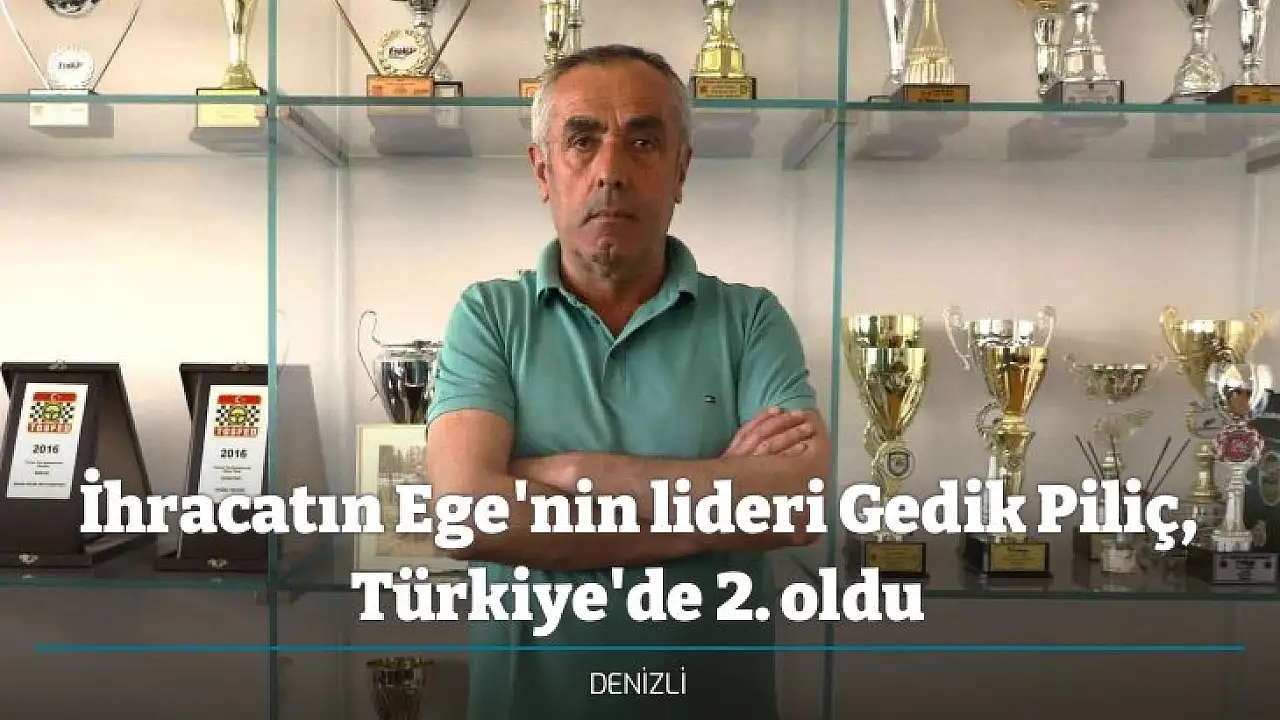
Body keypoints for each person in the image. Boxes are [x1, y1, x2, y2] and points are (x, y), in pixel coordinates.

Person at [424, 44, 832, 720]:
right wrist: (713, 522)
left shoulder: (752, 318)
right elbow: (466, 515)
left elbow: (796, 505)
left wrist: (575, 473)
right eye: (582, 141)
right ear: (543, 170)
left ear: (680, 170)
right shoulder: (489, 315)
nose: (610, 171)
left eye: (643, 141)